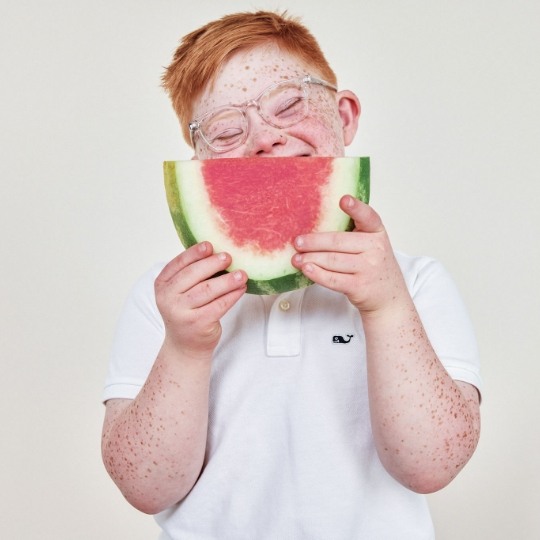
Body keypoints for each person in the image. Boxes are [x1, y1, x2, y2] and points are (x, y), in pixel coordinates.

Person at [101, 10, 481, 539]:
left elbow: (432, 465)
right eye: (228, 130)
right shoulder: (166, 302)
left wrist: (387, 308)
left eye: (288, 103)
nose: (264, 139)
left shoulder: (415, 284)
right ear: (199, 167)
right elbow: (145, 487)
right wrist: (184, 348)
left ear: (345, 115)